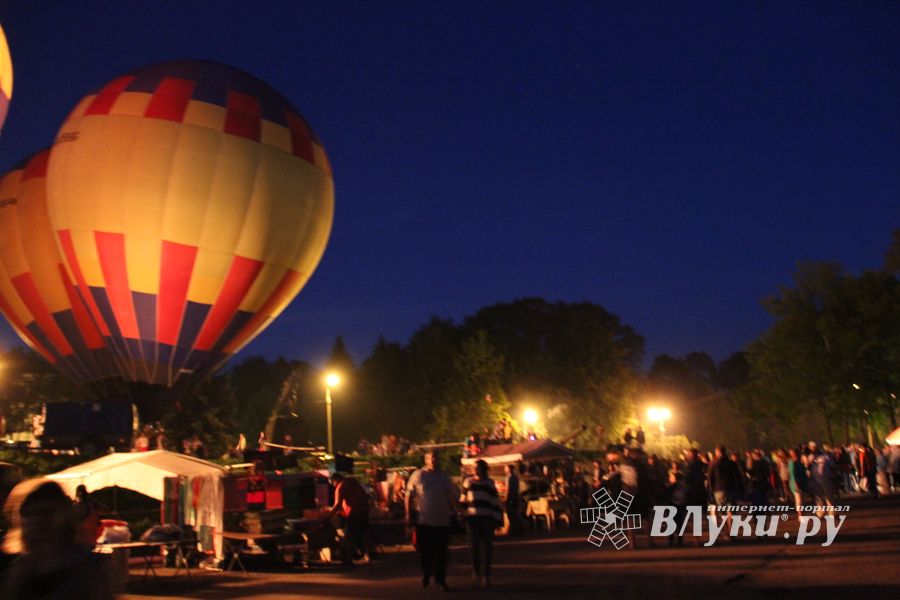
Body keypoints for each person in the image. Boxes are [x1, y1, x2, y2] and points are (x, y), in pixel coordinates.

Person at [3, 481, 114, 599]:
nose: (36, 521)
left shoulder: (86, 568)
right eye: (28, 514)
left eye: (46, 513)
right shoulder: (21, 567)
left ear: (65, 516)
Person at [405, 450, 458, 591]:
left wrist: (458, 511)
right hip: (424, 520)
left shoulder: (444, 477)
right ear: (426, 460)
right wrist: (408, 514)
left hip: (442, 520)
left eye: (435, 458)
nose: (433, 460)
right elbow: (409, 495)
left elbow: (452, 495)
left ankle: (441, 579)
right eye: (431, 458)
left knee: (441, 551)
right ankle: (427, 572)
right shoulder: (419, 475)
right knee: (425, 551)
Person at [460, 459, 503, 587]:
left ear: (483, 469)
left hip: (487, 518)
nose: (475, 469)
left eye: (477, 467)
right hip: (473, 518)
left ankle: (486, 575)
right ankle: (476, 571)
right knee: (474, 546)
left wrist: (498, 519)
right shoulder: (468, 482)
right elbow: (462, 500)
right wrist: (463, 514)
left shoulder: (489, 483)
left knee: (487, 547)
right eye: (474, 467)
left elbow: (495, 501)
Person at [328, 472, 370, 563]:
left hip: (354, 514)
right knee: (363, 534)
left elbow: (337, 504)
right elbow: (366, 496)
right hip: (364, 511)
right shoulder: (354, 483)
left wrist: (328, 515)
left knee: (349, 536)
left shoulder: (340, 487)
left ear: (335, 481)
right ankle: (367, 555)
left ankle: (349, 559)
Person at [707, 445, 743, 534]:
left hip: (718, 490)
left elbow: (710, 478)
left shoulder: (713, 464)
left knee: (722, 512)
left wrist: (710, 490)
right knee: (731, 511)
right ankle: (731, 531)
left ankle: (727, 530)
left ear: (718, 452)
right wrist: (741, 488)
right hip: (731, 489)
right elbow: (738, 477)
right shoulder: (732, 463)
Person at [788, 448, 809, 516]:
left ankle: (802, 513)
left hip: (802, 481)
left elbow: (804, 471)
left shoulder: (800, 462)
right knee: (798, 499)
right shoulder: (792, 462)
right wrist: (795, 483)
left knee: (802, 499)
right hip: (796, 482)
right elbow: (792, 473)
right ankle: (800, 514)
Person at [504, 463, 522, 535]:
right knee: (515, 513)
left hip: (510, 498)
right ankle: (517, 529)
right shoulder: (516, 477)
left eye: (505, 468)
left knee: (511, 514)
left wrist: (506, 498)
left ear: (509, 469)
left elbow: (508, 489)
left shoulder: (509, 477)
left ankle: (514, 530)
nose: (505, 469)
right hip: (515, 497)